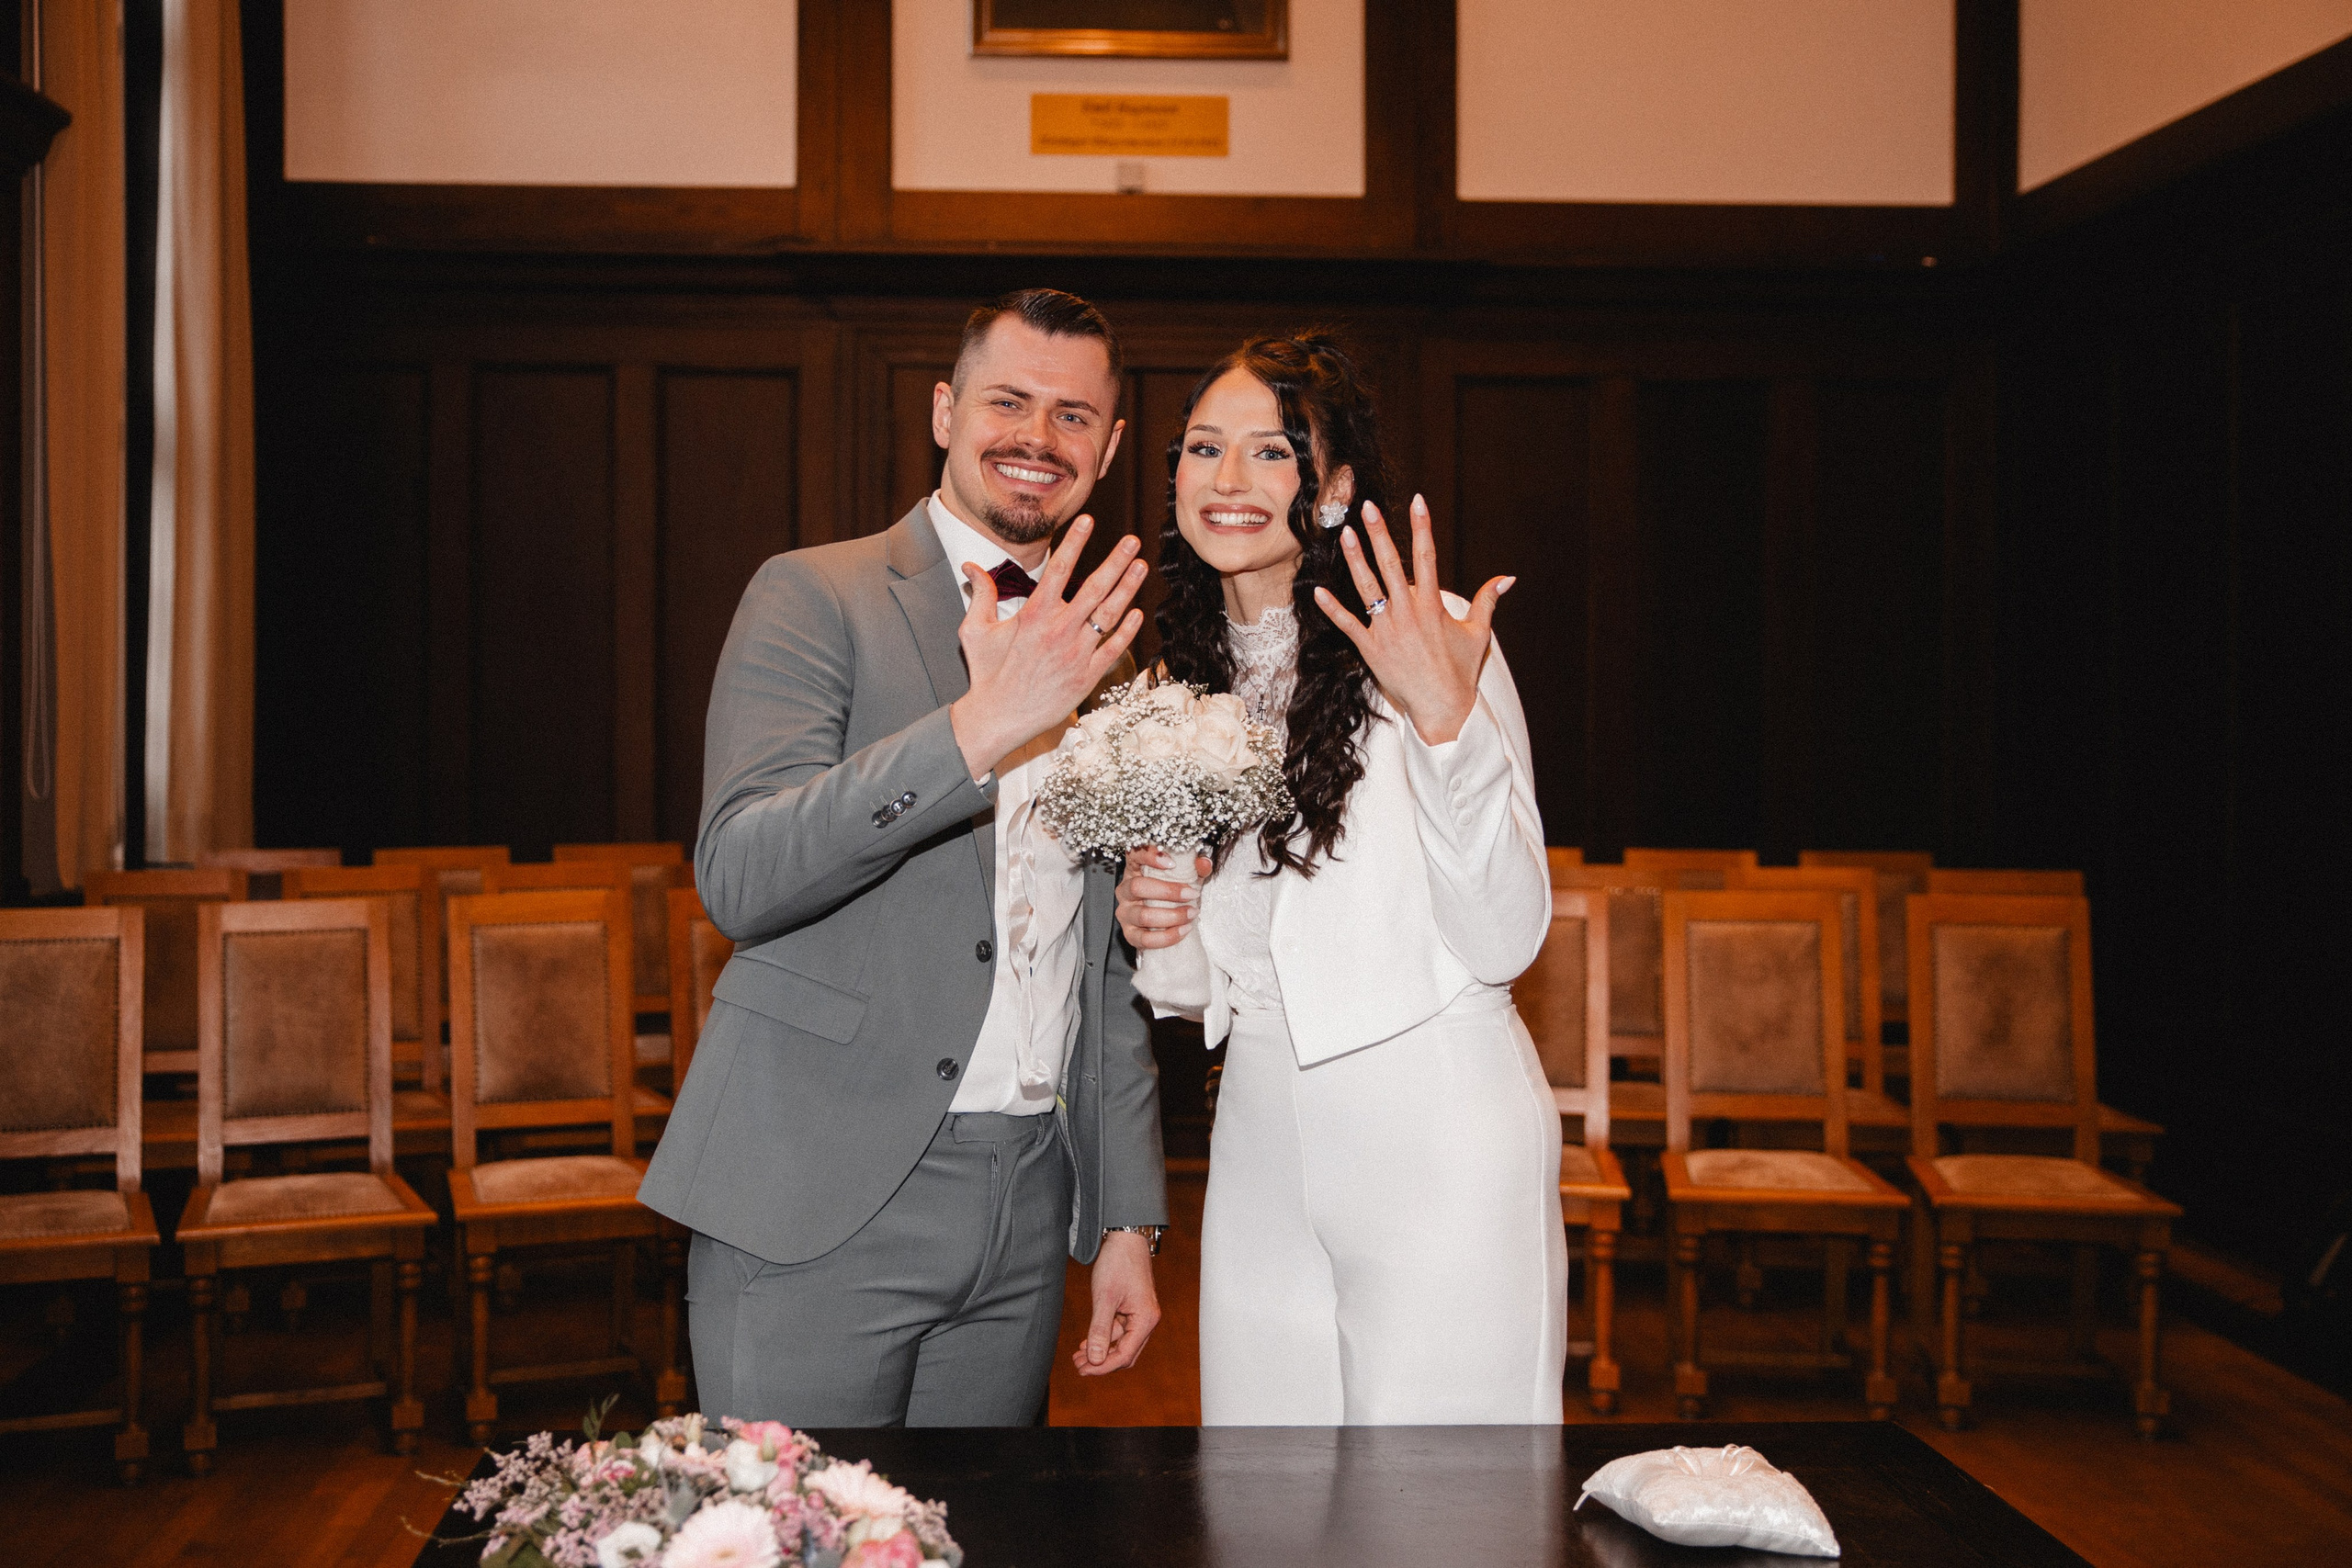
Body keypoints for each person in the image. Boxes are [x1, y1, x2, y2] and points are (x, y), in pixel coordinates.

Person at [641, 288, 1170, 1427]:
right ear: (943, 411)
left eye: (1073, 415)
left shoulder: (1110, 658)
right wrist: (978, 729)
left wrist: (1125, 1220)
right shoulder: (813, 594)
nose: (1039, 437)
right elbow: (741, 874)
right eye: (1008, 401)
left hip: (1028, 1202)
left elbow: (1105, 963)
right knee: (796, 1544)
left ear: (1111, 445)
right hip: (815, 1186)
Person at [1115, 332, 1563, 1425]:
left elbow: (1506, 937)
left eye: (1272, 453)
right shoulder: (1179, 678)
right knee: (1264, 1505)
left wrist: (1447, 722)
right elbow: (1195, 996)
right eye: (1204, 448)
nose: (1228, 481)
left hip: (1434, 1123)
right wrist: (1156, 924)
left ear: (1336, 488)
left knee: (1446, 1520)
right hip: (1257, 1127)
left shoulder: (1430, 638)